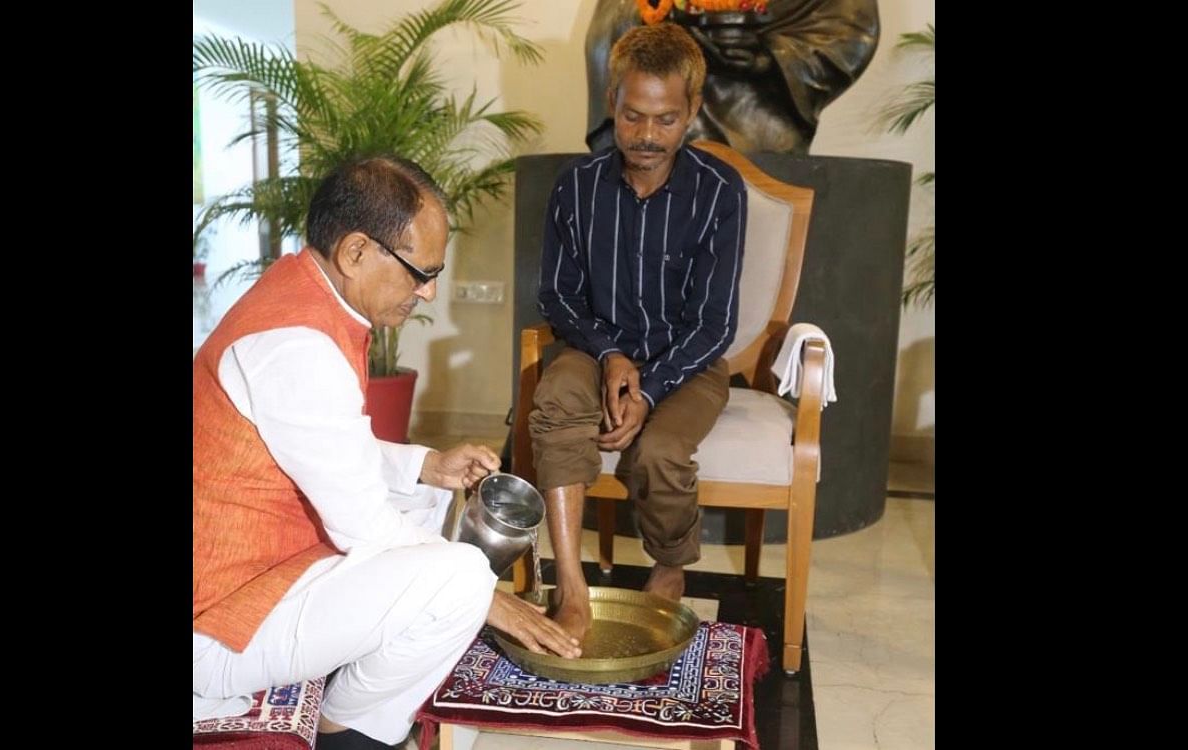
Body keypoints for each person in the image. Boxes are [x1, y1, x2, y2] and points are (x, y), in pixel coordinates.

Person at [193, 155, 579, 750]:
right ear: (355, 252)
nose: (428, 290)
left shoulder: (302, 292)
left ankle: (357, 696)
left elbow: (325, 445)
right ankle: (349, 730)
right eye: (420, 272)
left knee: (429, 502)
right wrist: (488, 602)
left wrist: (426, 465)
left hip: (258, 569)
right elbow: (367, 529)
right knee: (458, 578)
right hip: (218, 622)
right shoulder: (297, 344)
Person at [530, 23, 747, 640]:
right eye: (633, 117)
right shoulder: (576, 187)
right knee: (555, 400)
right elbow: (558, 295)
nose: (647, 136)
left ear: (693, 112)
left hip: (689, 365)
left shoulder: (719, 192)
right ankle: (571, 584)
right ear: (612, 104)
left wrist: (647, 388)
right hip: (592, 348)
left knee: (658, 452)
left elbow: (714, 323)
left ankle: (671, 564)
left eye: (665, 119)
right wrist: (611, 354)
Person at [584, 0, 880, 154]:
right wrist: (666, 32)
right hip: (656, 141)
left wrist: (769, 59)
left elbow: (852, 35)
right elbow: (607, 27)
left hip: (763, 130)